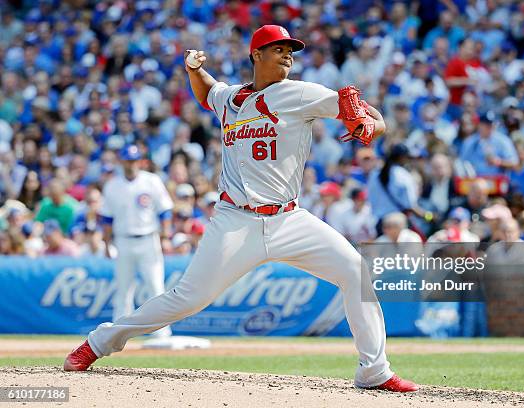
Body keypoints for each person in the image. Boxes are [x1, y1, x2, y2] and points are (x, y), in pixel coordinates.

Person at [64, 25, 418, 393]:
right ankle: (98, 343)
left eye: (290, 50)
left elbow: (361, 111)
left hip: (289, 218)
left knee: (355, 271)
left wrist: (374, 125)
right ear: (256, 56)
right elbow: (208, 94)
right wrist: (194, 70)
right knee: (187, 299)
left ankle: (373, 371)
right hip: (235, 220)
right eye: (277, 48)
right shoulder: (231, 98)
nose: (287, 55)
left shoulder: (300, 93)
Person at [98, 144, 174, 336]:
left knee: (155, 286)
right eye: (127, 160)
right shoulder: (113, 185)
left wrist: (165, 236)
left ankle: (161, 333)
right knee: (123, 289)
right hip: (123, 240)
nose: (131, 164)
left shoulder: (151, 181)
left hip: (149, 239)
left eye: (134, 160)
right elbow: (107, 218)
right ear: (121, 161)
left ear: (140, 161)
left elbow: (165, 210)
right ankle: (117, 334)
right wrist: (107, 244)